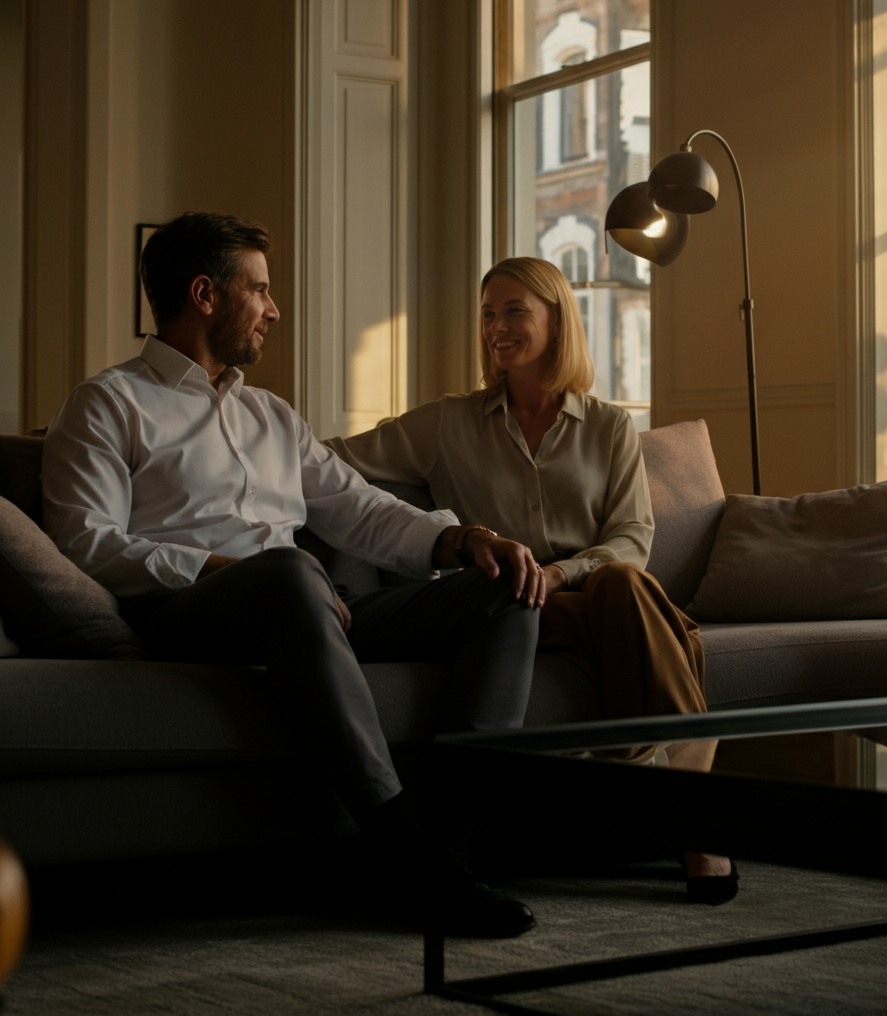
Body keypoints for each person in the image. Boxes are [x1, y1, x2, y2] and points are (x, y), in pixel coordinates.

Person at [41, 214, 546, 937]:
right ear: (205, 294)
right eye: (260, 290)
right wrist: (223, 568)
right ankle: (403, 854)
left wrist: (461, 539)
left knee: (504, 591)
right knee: (288, 573)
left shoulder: (271, 415)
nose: (274, 310)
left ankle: (445, 854)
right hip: (189, 613)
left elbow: (359, 509)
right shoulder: (107, 403)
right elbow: (86, 542)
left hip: (305, 608)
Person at [325, 256, 738, 906]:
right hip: (508, 606)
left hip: (597, 600)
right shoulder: (446, 423)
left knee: (622, 584)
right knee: (645, 613)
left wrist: (562, 571)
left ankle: (653, 790)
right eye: (489, 313)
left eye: (514, 310)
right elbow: (327, 462)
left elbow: (632, 541)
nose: (496, 326)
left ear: (557, 319)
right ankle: (692, 816)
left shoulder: (609, 426)